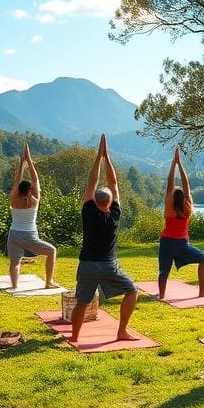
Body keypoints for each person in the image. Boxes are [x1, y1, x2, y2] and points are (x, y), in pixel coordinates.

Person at [69, 134, 138, 342]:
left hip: (88, 265)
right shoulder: (114, 214)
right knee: (132, 290)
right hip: (109, 265)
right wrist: (107, 157)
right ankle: (121, 331)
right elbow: (114, 183)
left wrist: (98, 157)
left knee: (82, 302)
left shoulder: (88, 210)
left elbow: (92, 182)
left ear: (95, 200)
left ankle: (74, 337)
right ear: (109, 203)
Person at [6, 143, 59, 291]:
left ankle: (14, 286)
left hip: (14, 234)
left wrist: (21, 163)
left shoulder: (13, 199)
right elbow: (36, 180)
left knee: (15, 262)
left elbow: (17, 179)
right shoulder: (35, 200)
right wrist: (29, 161)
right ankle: (49, 282)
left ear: (19, 190)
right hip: (30, 236)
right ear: (30, 190)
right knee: (52, 251)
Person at [157, 147, 204, 298]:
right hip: (182, 245)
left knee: (163, 271)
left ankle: (161, 295)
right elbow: (187, 186)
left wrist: (174, 164)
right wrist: (181, 165)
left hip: (166, 243)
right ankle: (201, 293)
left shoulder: (169, 209)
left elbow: (169, 184)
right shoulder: (188, 208)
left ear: (172, 197)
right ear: (184, 198)